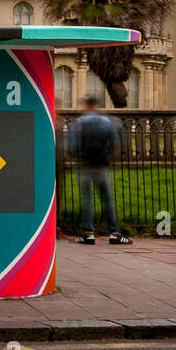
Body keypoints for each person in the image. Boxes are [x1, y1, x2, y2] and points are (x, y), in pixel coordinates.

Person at [66, 96, 131, 245]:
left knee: (87, 200)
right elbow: (116, 143)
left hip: (84, 165)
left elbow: (71, 147)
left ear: (86, 106)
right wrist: (107, 156)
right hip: (101, 165)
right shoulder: (106, 122)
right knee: (107, 199)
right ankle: (114, 233)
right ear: (96, 106)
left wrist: (77, 157)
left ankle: (89, 234)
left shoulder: (78, 123)